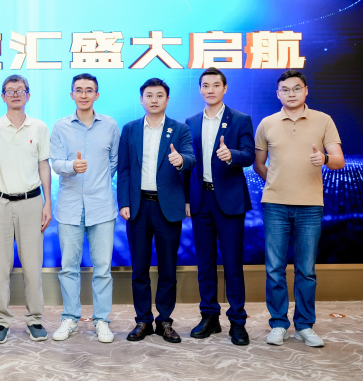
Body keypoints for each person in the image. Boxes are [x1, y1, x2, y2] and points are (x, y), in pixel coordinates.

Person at [254, 70, 344, 348]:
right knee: (275, 269)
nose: (291, 93)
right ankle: (279, 324)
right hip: (275, 206)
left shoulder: (323, 120)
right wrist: (277, 182)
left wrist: (324, 158)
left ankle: (304, 325)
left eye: (296, 88)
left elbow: (339, 160)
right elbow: (259, 164)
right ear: (277, 94)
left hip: (310, 206)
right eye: (285, 89)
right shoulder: (267, 123)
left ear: (306, 91)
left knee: (306, 270)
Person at [117, 78, 195, 343]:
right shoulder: (130, 129)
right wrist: (124, 202)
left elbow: (191, 158)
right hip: (138, 206)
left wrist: (181, 160)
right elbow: (124, 169)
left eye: (159, 95)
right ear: (141, 100)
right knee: (139, 268)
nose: (154, 100)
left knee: (168, 268)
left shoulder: (180, 129)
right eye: (149, 95)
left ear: (167, 100)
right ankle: (143, 320)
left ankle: (164, 321)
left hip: (168, 207)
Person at [184, 67, 255, 346]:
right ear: (200, 89)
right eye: (205, 85)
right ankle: (209, 317)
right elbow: (187, 164)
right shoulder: (190, 122)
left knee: (233, 264)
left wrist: (231, 154)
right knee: (205, 264)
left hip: (230, 201)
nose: (210, 90)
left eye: (216, 85)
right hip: (201, 200)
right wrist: (187, 199)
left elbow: (249, 155)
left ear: (225, 88)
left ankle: (237, 321)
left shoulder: (240, 119)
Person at [0, 74, 52, 344]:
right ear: (3, 96)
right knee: (1, 265)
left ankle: (35, 319)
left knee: (33, 265)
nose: (15, 94)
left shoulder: (39, 127)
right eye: (10, 91)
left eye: (20, 90)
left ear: (28, 95)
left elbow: (44, 165)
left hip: (32, 202)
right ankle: (1, 320)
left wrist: (48, 202)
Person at [50, 73, 119, 343]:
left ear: (96, 95)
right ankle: (70, 318)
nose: (83, 94)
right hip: (69, 207)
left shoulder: (110, 125)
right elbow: (55, 162)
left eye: (89, 90)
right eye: (78, 90)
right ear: (71, 95)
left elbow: (114, 162)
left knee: (102, 268)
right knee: (69, 267)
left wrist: (97, 182)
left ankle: (102, 321)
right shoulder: (60, 127)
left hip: (101, 207)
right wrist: (72, 167)